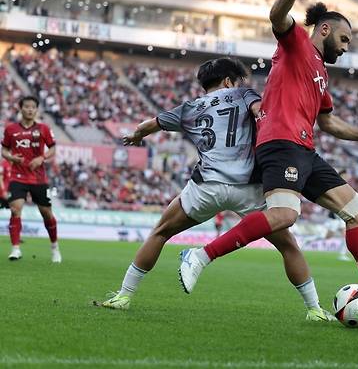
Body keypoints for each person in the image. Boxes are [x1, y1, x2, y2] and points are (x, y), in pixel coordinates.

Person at [178, 0, 358, 316]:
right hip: (280, 143)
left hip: (305, 148)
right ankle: (201, 254)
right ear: (324, 30)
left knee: (357, 210)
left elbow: (329, 123)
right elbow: (277, 17)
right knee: (284, 216)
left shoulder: (321, 73)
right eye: (344, 38)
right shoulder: (296, 47)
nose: (346, 46)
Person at [101, 57, 334, 321]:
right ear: (228, 81)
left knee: (160, 232)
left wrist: (136, 136)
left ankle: (124, 295)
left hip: (207, 188)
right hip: (249, 189)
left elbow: (149, 125)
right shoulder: (244, 93)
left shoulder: (189, 108)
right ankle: (315, 309)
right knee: (289, 246)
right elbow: (260, 111)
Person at [1, 96, 60, 262]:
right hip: (17, 176)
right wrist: (11, 158)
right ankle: (15, 249)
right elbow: (4, 150)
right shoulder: (11, 129)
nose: (30, 109)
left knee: (46, 213)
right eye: (26, 106)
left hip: (38, 178)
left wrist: (42, 158)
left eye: (33, 107)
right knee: (15, 209)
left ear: (36, 109)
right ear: (21, 108)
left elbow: (53, 148)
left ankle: (54, 247)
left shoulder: (43, 128)